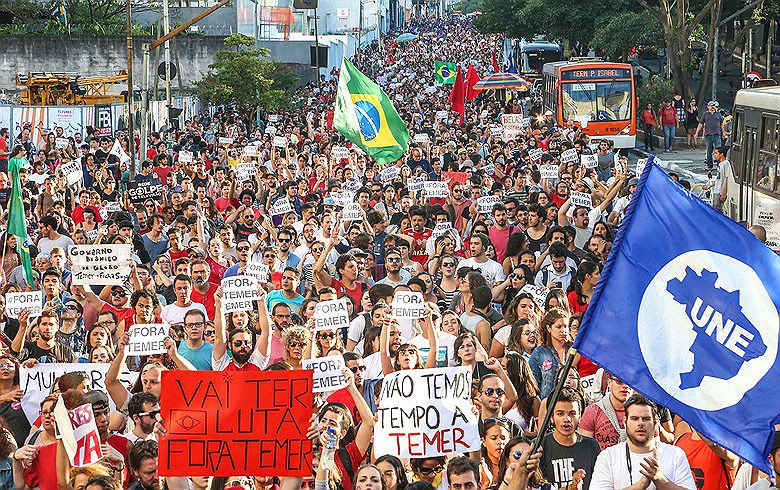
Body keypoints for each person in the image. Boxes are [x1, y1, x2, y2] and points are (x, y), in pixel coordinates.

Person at [590, 394, 696, 489]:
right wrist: (640, 485)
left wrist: (660, 480)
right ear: (625, 421)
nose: (640, 423)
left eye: (646, 419)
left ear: (655, 422)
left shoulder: (676, 454)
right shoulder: (608, 456)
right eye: (635, 418)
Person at [538, 387, 600, 489]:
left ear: (580, 416)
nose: (566, 419)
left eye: (572, 414)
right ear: (552, 417)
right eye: (560, 414)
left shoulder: (591, 446)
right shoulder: (539, 447)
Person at [579, 373, 633, 451]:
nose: (625, 386)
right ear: (609, 382)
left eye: (630, 382)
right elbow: (584, 450)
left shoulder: (643, 413)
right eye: (619, 381)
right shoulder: (592, 411)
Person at [695, 101, 724, 169]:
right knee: (709, 151)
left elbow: (721, 123)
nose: (712, 107)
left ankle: (719, 165)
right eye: (711, 106)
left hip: (717, 135)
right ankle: (710, 165)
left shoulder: (718, 114)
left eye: (713, 106)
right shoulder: (705, 114)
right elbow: (701, 124)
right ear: (708, 106)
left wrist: (723, 132)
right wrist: (696, 133)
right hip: (708, 135)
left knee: (718, 150)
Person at [702, 146, 729, 212]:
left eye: (716, 153)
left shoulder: (726, 164)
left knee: (717, 210)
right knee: (715, 208)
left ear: (721, 154)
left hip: (720, 191)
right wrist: (709, 186)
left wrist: (724, 193)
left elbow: (727, 178)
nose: (714, 155)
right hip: (717, 190)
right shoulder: (720, 164)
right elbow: (718, 179)